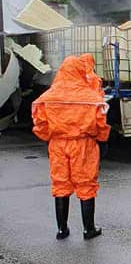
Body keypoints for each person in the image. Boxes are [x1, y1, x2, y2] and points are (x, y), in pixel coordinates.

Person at [31, 53, 110, 241]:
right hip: (83, 144)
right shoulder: (91, 97)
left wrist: (50, 138)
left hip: (58, 145)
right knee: (86, 184)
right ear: (80, 72)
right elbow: (101, 124)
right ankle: (88, 229)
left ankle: (62, 229)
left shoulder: (47, 97)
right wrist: (102, 141)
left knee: (60, 184)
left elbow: (40, 124)